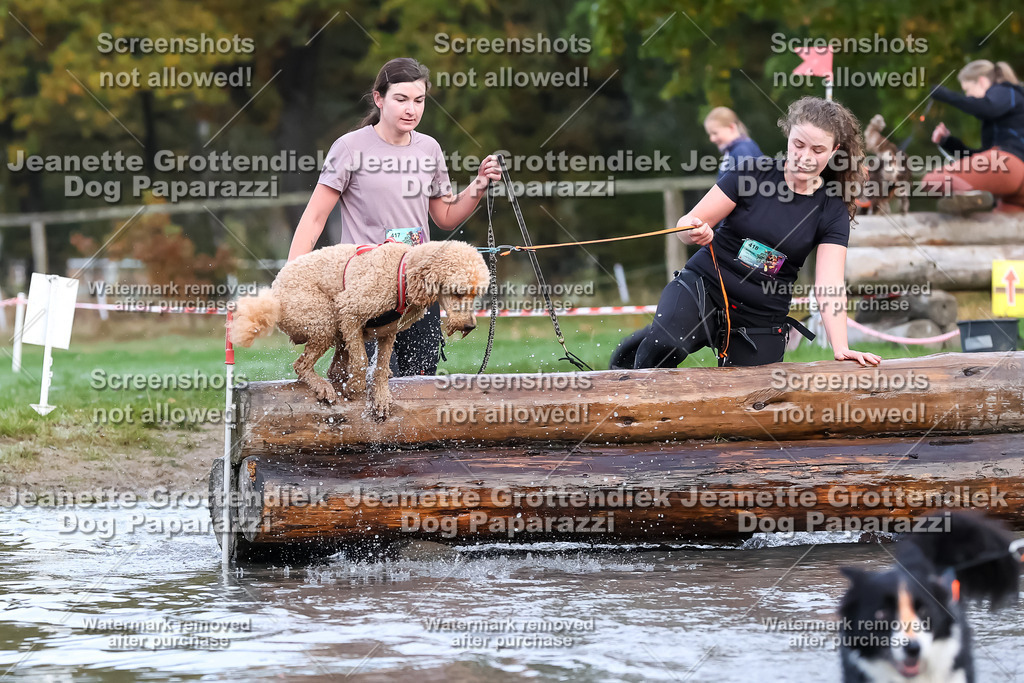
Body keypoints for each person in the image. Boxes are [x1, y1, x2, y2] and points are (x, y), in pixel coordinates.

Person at [286, 57, 500, 377]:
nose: (411, 109)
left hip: (418, 291)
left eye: (419, 100)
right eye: (401, 99)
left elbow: (445, 216)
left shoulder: (429, 149)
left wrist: (479, 185)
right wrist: (292, 280)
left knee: (419, 383)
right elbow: (315, 218)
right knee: (372, 381)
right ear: (379, 98)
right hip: (367, 289)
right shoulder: (349, 148)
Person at [632, 96, 881, 369]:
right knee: (666, 344)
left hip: (762, 313)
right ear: (788, 135)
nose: (805, 158)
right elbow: (685, 225)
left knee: (756, 391)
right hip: (705, 285)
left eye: (818, 150)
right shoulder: (751, 172)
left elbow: (829, 285)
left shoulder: (832, 209)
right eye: (798, 145)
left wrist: (841, 346)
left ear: (834, 151)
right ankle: (634, 360)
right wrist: (694, 231)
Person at [921, 60, 1024, 213]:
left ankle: (974, 198)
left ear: (981, 81)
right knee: (997, 226)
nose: (967, 96)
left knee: (932, 181)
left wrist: (945, 95)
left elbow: (987, 107)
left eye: (967, 90)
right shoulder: (1003, 115)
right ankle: (974, 198)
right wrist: (948, 142)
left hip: (1011, 167)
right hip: (1013, 180)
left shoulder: (1004, 90)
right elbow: (982, 158)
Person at [704, 106, 763, 179]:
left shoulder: (742, 150)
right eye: (710, 134)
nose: (711, 139)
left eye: (715, 133)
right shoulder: (733, 151)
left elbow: (750, 181)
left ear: (731, 127)